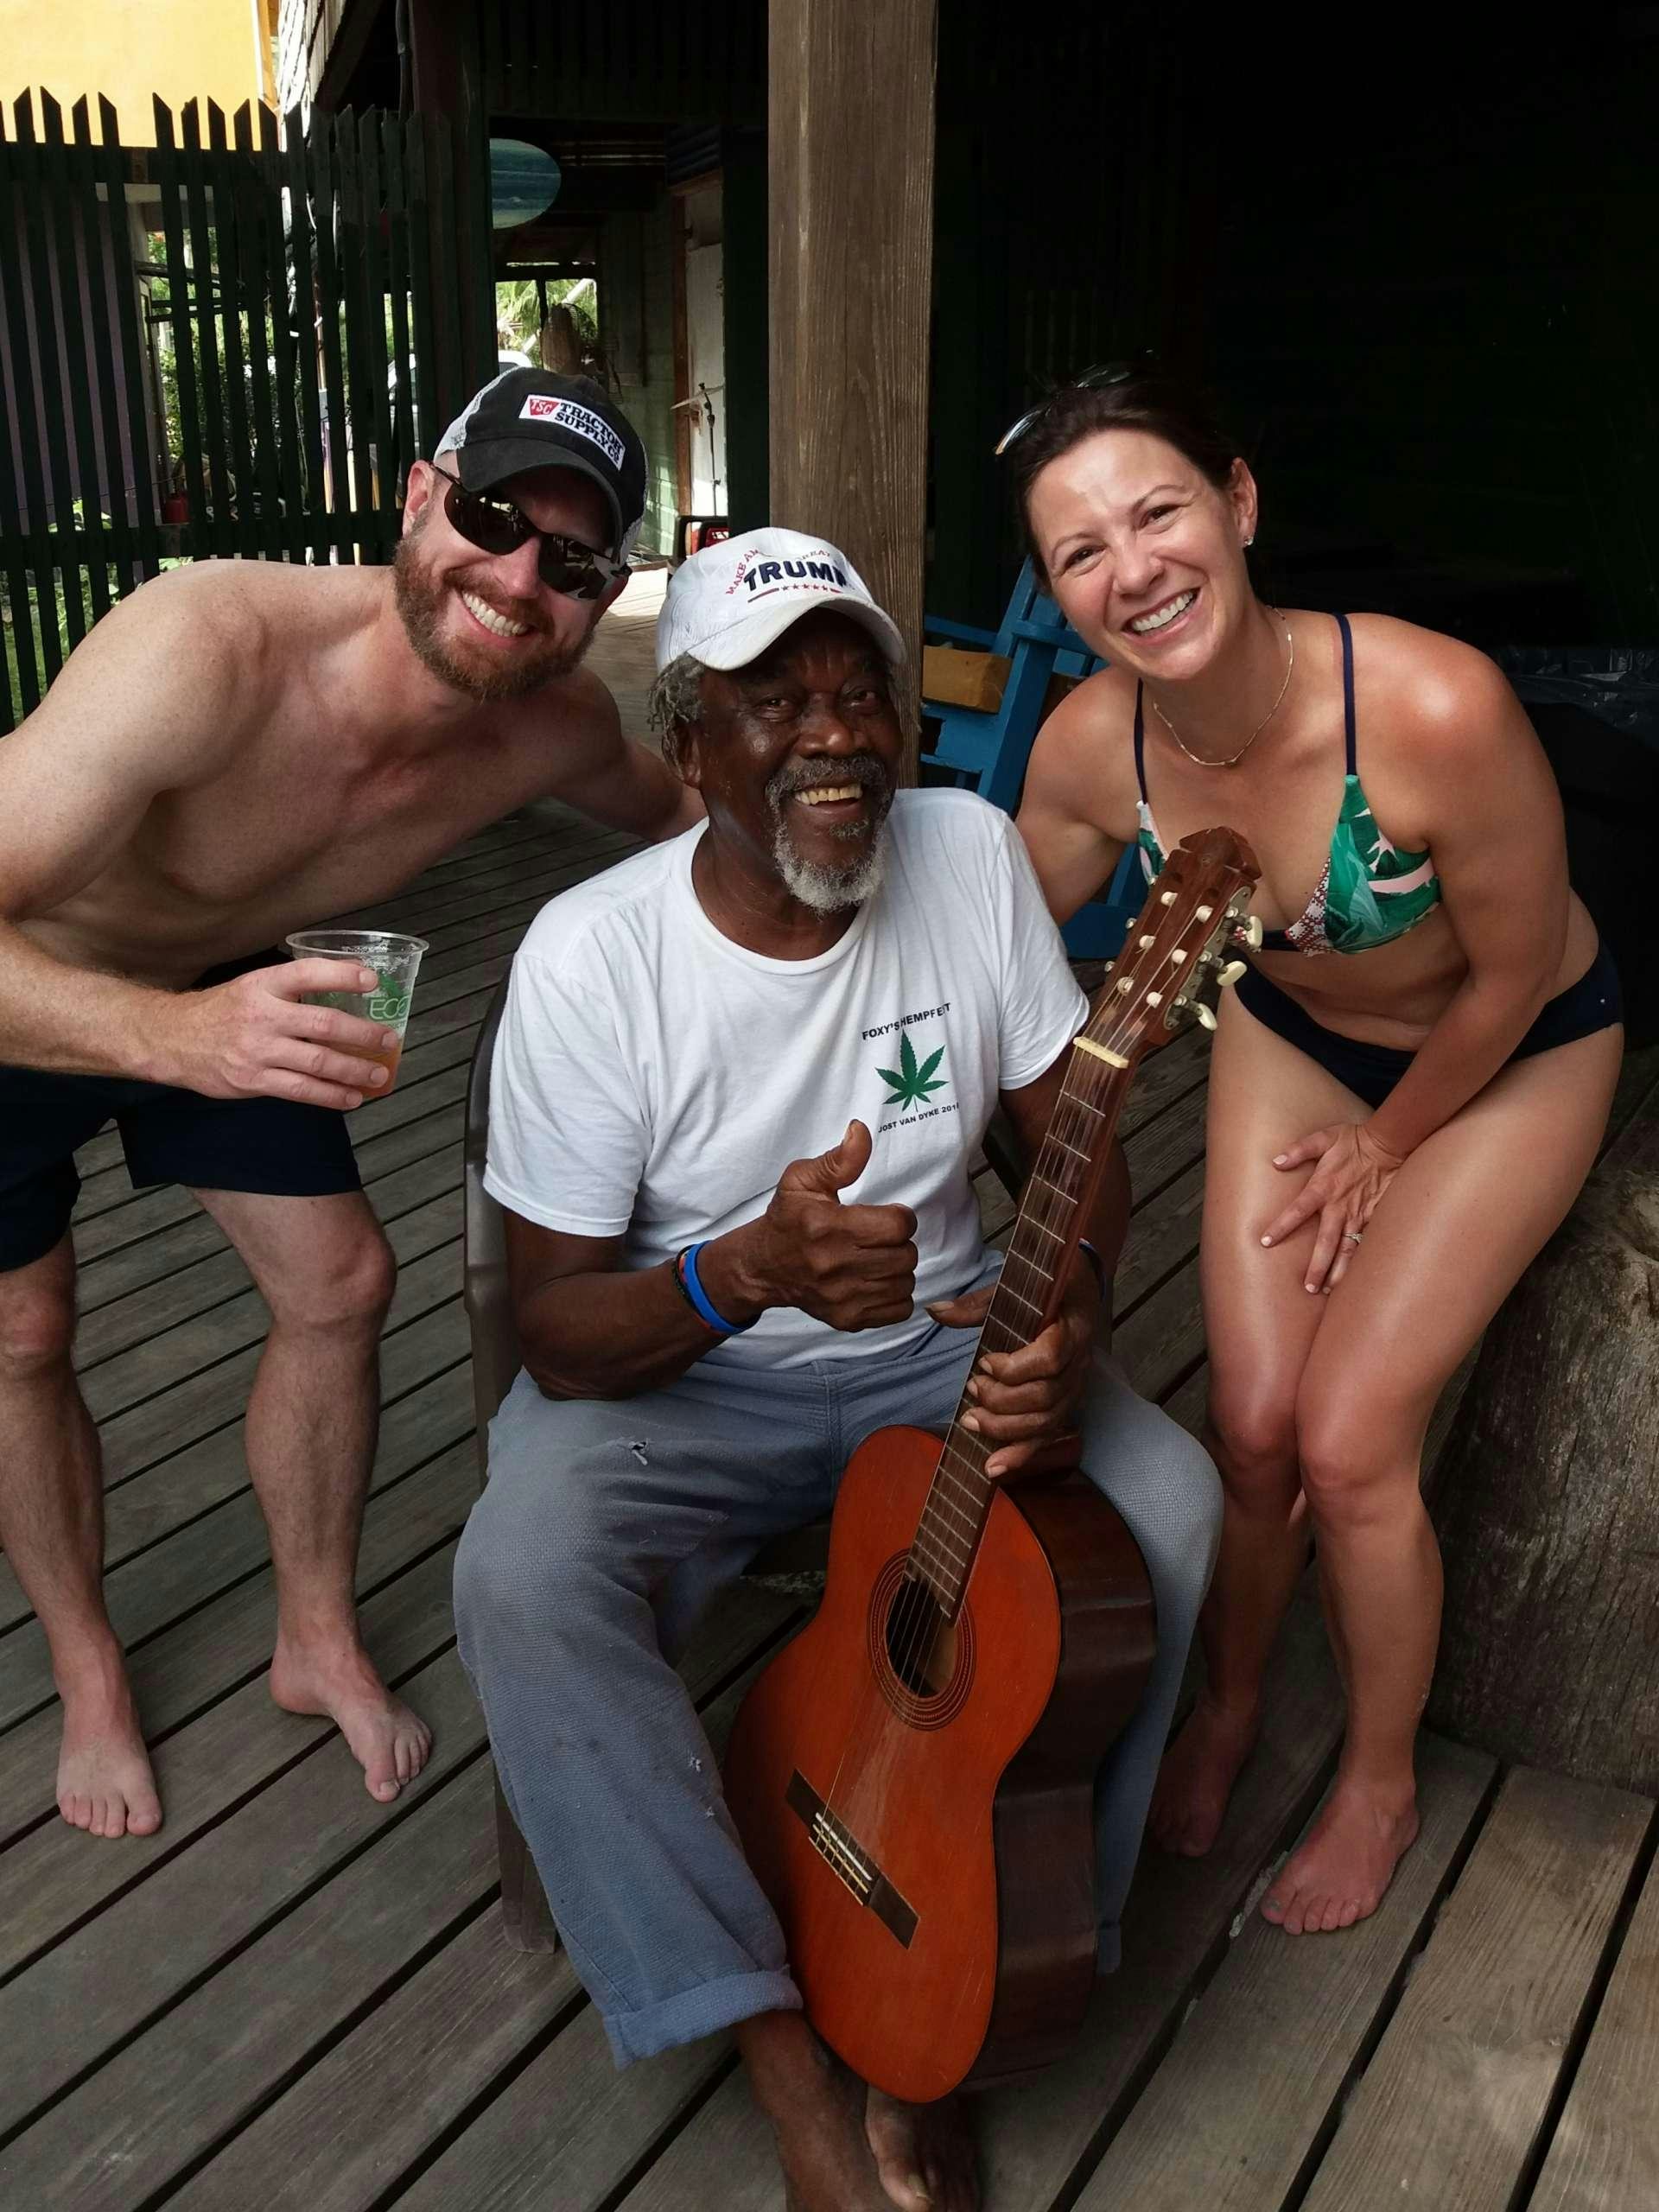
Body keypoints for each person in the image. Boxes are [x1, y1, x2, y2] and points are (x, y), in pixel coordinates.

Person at [452, 527, 1221, 2212]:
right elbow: (556, 1331)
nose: (833, 733)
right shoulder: (596, 956)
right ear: (689, 749)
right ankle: (784, 2053)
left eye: (858, 693)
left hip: (942, 1353)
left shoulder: (966, 853)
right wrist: (745, 1271)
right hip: (686, 1384)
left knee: (1169, 1504)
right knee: (522, 1566)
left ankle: (977, 1976)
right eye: (774, 700)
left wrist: (1068, 1306)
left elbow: (1064, 1139)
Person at [0, 367, 702, 1844]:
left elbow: (696, 822)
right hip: (37, 980)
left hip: (220, 982)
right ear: (418, 494)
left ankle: (312, 1638)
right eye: (496, 516)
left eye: (571, 562)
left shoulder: (554, 728)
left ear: (601, 597)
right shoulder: (205, 646)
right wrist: (163, 1035)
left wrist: (894, 872)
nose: (517, 579)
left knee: (343, 1283)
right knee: (24, 1331)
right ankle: (87, 1668)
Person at [1009, 363, 1624, 1936]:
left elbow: (1506, 972)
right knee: (1261, 1424)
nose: (1132, 568)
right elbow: (986, 925)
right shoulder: (1094, 752)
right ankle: (1225, 1704)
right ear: (1059, 595)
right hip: (1297, 1038)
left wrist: (1391, 1150)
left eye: (1157, 513)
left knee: (1353, 1441)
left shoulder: (1434, 707)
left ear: (1239, 502)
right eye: (1082, 553)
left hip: (1512, 1048)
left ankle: (1377, 1773)